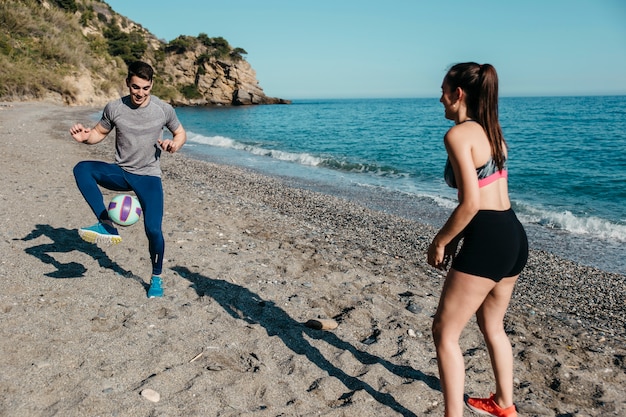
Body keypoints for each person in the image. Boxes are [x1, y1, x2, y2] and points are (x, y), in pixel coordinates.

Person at [427, 62, 528, 417]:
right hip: (513, 234)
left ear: (458, 93)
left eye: (443, 90)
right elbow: (486, 197)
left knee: (444, 332)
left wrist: (441, 240)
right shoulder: (493, 133)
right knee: (491, 324)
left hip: (487, 236)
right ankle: (504, 404)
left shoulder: (457, 136)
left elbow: (470, 203)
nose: (439, 98)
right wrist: (456, 239)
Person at [70, 61, 186, 299]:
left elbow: (180, 132)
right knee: (82, 169)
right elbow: (98, 133)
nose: (140, 93)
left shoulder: (163, 109)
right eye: (135, 87)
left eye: (145, 88)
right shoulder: (115, 108)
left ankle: (156, 277)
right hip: (121, 172)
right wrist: (85, 138)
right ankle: (106, 224)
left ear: (152, 85)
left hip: (149, 177)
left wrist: (175, 144)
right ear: (127, 83)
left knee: (153, 230)